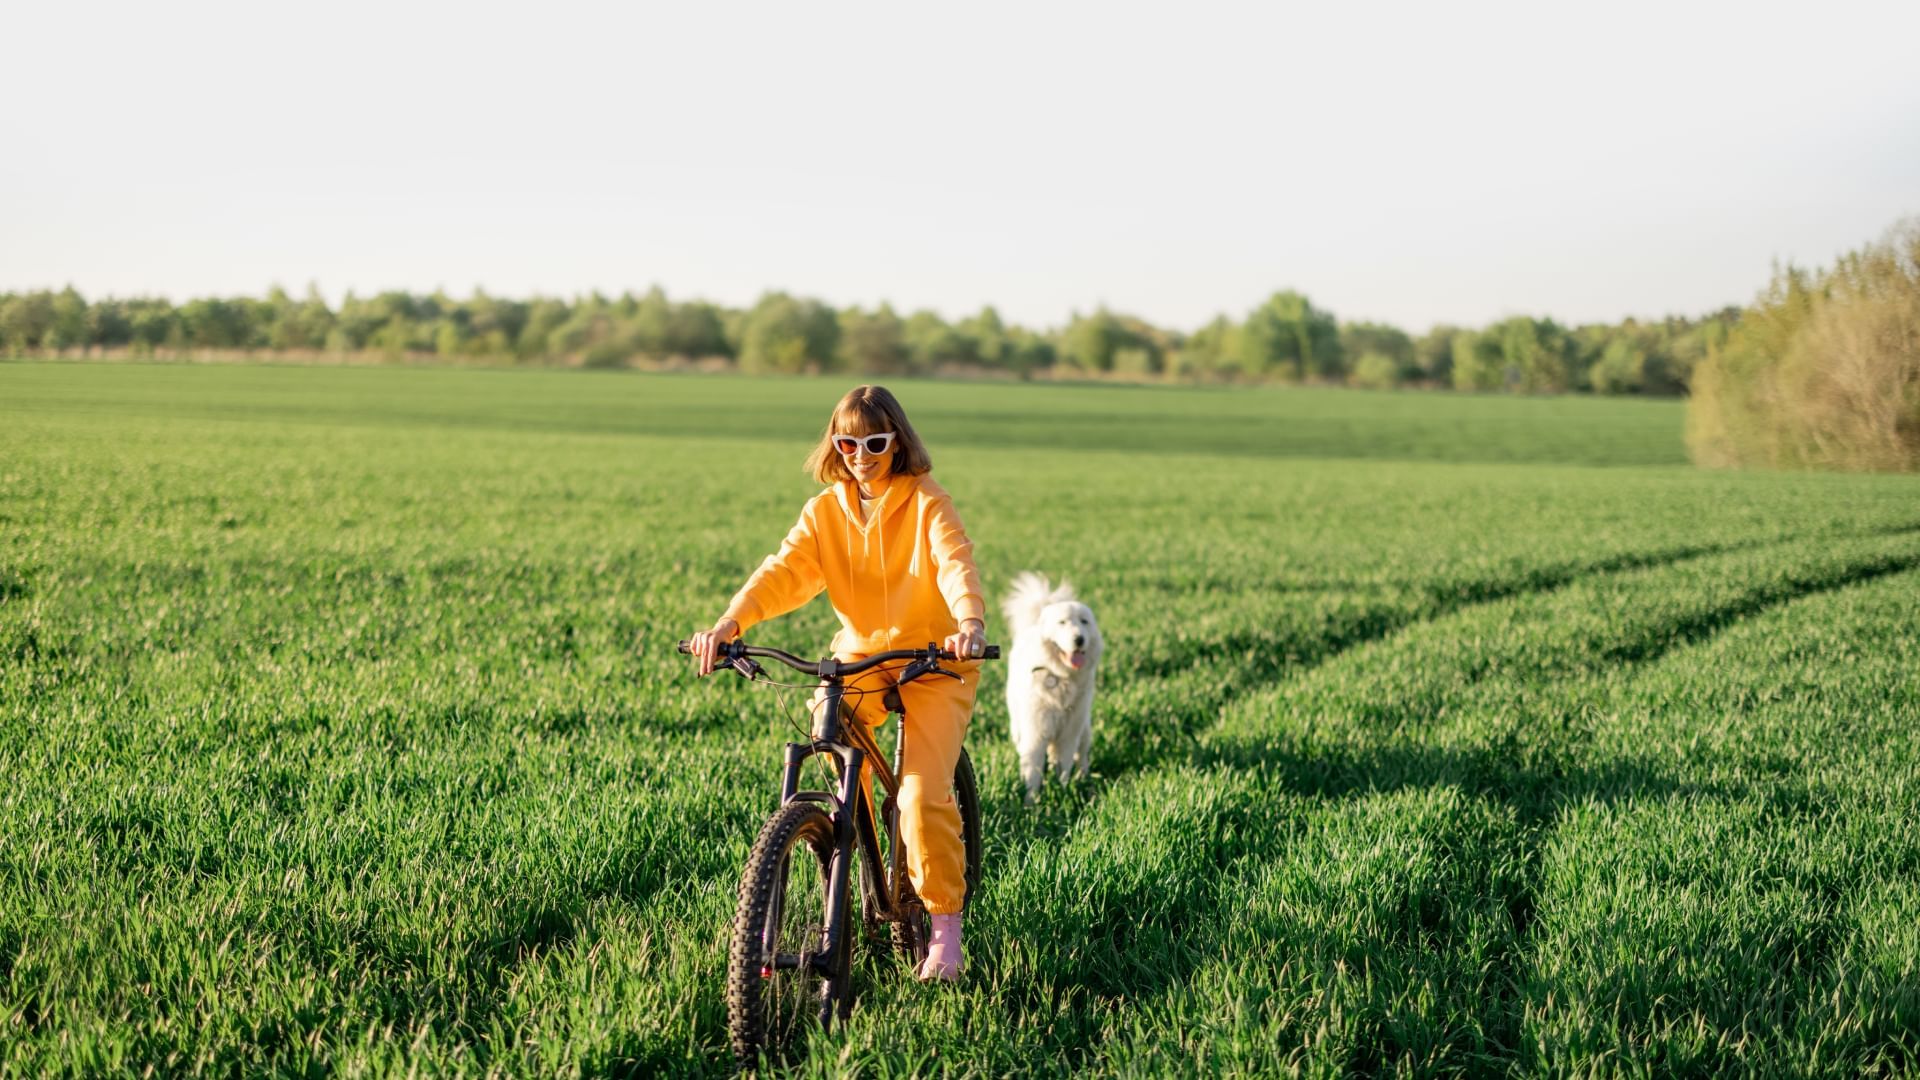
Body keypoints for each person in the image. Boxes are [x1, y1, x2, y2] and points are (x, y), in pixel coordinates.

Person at [687, 384, 987, 982]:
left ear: (897, 441)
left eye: (874, 442)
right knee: (833, 737)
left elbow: (954, 560)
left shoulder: (928, 502)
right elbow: (787, 570)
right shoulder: (825, 510)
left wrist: (970, 621)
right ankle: (856, 854)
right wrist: (730, 622)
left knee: (921, 797)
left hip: (934, 656)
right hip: (860, 657)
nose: (860, 454)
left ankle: (943, 927)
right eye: (847, 442)